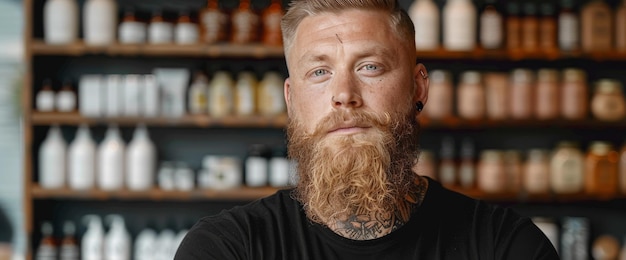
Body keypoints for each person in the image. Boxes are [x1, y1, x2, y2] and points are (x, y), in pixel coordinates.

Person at [175, 0, 560, 259]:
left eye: (369, 67)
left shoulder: (505, 247)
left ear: (418, 87)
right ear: (291, 100)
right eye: (320, 72)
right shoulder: (226, 249)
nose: (344, 95)